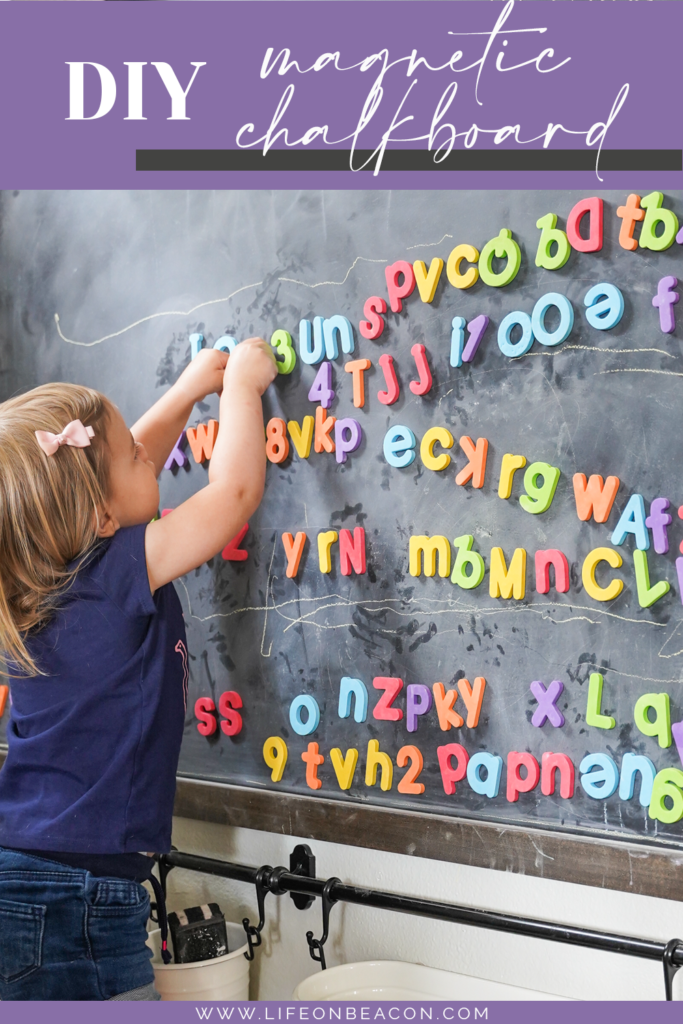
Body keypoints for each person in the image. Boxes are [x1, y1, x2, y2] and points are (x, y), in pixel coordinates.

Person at [0, 338, 278, 1000]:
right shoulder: (116, 571)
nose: (148, 455)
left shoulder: (33, 587)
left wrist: (184, 393)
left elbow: (114, 470)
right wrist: (241, 385)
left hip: (28, 870)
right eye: (133, 455)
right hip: (77, 896)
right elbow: (233, 493)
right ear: (99, 516)